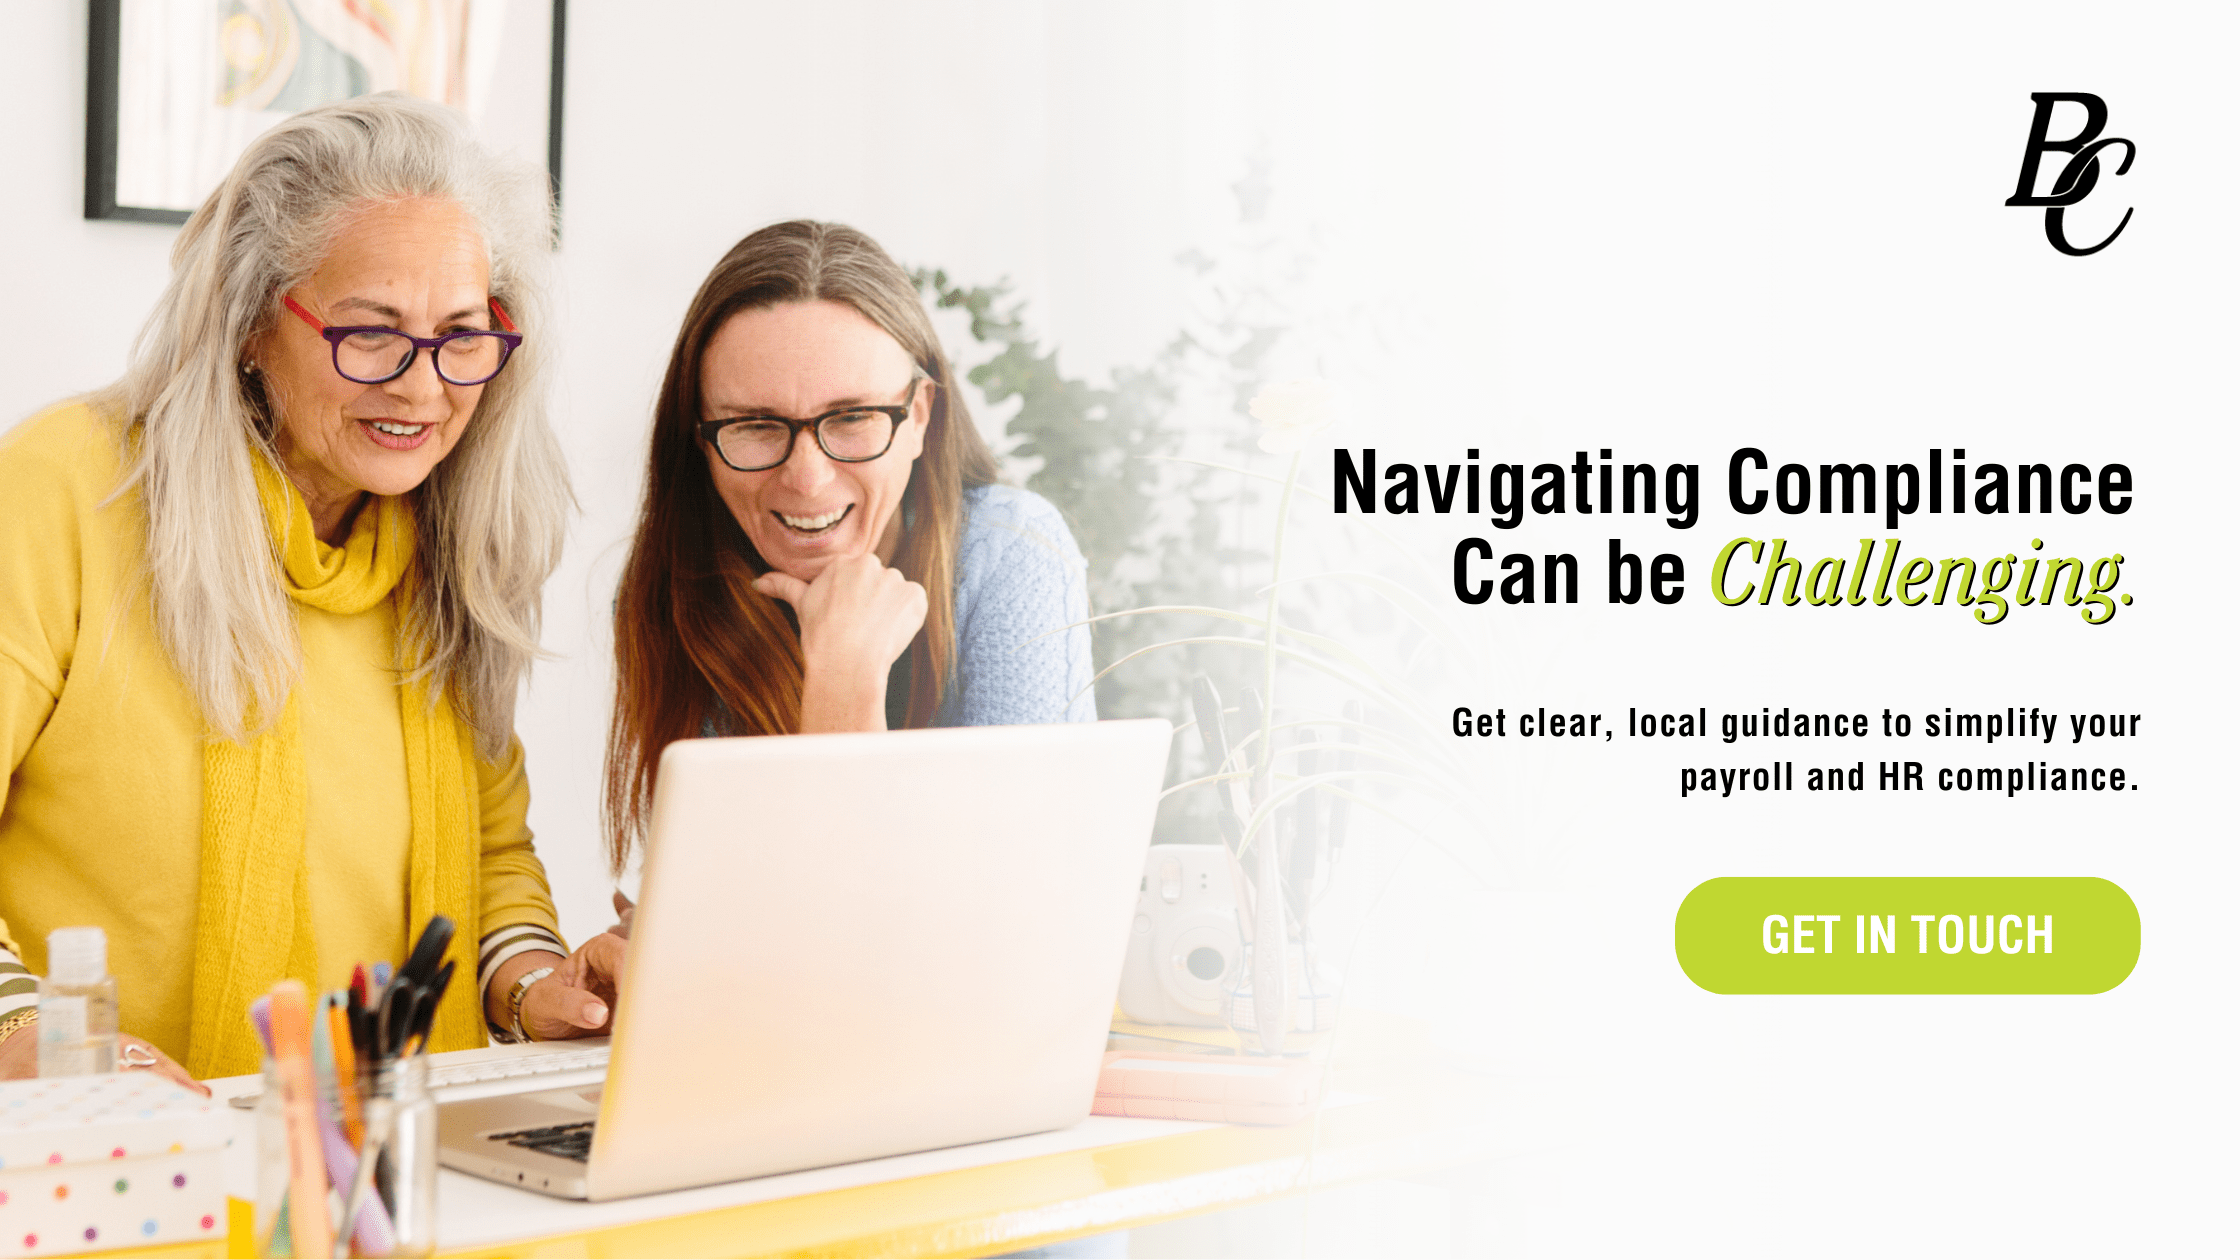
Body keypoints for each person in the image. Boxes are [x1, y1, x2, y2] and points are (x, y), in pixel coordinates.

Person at [0, 94, 618, 1088]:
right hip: (116, 1168)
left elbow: (490, 855)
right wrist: (23, 1036)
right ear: (250, 322)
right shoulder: (63, 489)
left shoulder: (455, 539)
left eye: (462, 333)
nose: (423, 388)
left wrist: (536, 983)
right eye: (370, 333)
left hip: (390, 1167)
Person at [603, 220, 1095, 869]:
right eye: (754, 425)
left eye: (854, 418)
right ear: (700, 441)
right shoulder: (685, 591)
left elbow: (1018, 891)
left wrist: (845, 679)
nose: (807, 478)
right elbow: (753, 910)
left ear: (920, 416)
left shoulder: (1011, 553)